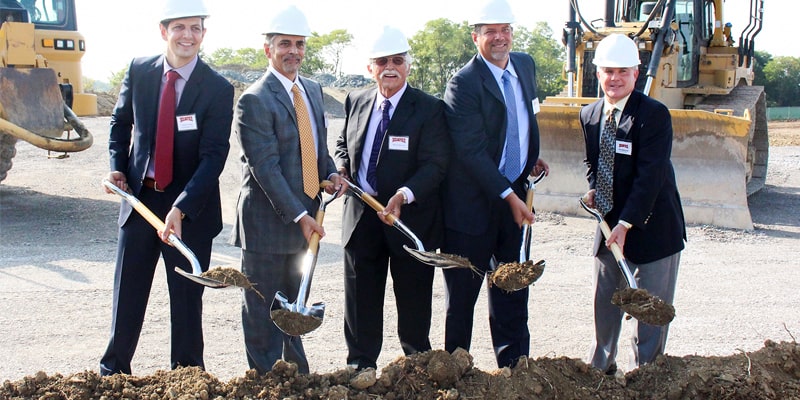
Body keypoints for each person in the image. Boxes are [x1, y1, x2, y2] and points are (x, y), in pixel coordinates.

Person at [99, 0, 233, 376]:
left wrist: (181, 207)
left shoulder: (218, 89)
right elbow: (120, 123)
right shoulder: (140, 71)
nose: (187, 36)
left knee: (187, 303)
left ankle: (188, 378)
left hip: (190, 209)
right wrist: (117, 169)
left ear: (204, 34)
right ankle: (112, 372)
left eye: (195, 28)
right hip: (141, 201)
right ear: (164, 31)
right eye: (179, 27)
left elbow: (213, 156)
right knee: (128, 295)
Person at [228, 4, 346, 375]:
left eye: (299, 44)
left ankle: (295, 377)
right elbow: (265, 167)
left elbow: (315, 147)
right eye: (284, 44)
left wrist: (331, 173)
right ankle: (266, 383)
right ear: (268, 49)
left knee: (294, 309)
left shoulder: (310, 89)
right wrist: (300, 215)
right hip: (268, 226)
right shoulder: (254, 100)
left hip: (305, 223)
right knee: (263, 314)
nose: (293, 51)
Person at [440, 0, 549, 368]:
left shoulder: (525, 65)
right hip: (472, 205)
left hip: (513, 194)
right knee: (463, 297)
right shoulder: (463, 83)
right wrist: (508, 194)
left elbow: (524, 117)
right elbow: (470, 151)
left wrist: (528, 155)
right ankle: (457, 370)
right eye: (490, 32)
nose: (499, 38)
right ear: (476, 37)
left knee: (512, 286)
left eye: (505, 30)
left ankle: (515, 368)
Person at [333, 26, 450, 371]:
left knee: (413, 298)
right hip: (361, 216)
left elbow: (436, 164)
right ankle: (360, 364)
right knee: (360, 298)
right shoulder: (356, 100)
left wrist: (403, 194)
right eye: (382, 61)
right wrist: (341, 169)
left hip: (406, 219)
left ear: (408, 66)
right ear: (370, 67)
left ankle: (416, 365)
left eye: (397, 60)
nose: (390, 67)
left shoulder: (429, 109)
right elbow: (344, 144)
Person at [580, 33, 686, 375]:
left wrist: (627, 223)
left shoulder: (653, 115)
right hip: (609, 228)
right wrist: (594, 189)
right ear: (598, 74)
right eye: (608, 71)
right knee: (605, 304)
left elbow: (650, 176)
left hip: (653, 226)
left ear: (635, 74)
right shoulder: (590, 115)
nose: (615, 78)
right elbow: (593, 163)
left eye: (622, 72)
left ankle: (644, 375)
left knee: (650, 311)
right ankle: (601, 371)